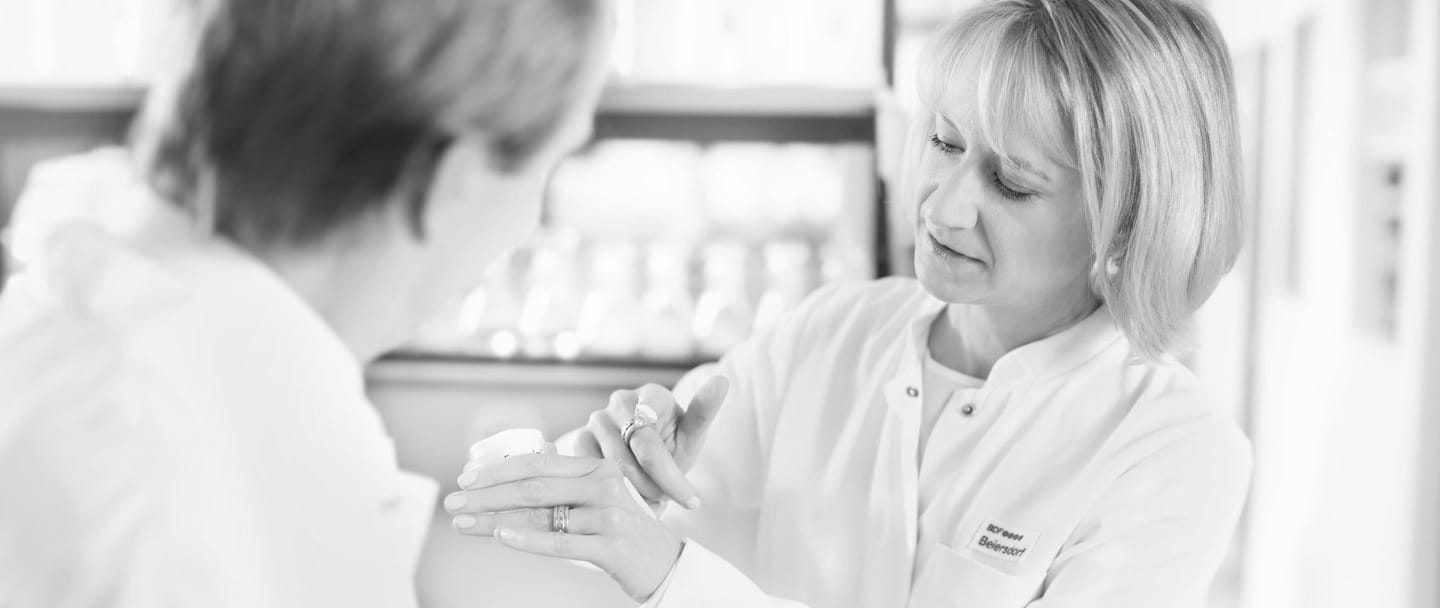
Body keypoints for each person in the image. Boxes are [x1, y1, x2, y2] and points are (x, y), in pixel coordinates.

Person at [443, 0, 1251, 606]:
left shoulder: (1172, 449)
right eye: (943, 142)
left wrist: (669, 574)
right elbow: (651, 491)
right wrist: (627, 460)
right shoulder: (836, 332)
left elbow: (661, 561)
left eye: (1011, 183)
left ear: (1130, 220)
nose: (941, 207)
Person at [0, 0, 610, 605]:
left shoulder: (147, 369)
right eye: (550, 165)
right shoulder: (155, 486)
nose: (528, 226)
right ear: (456, 179)